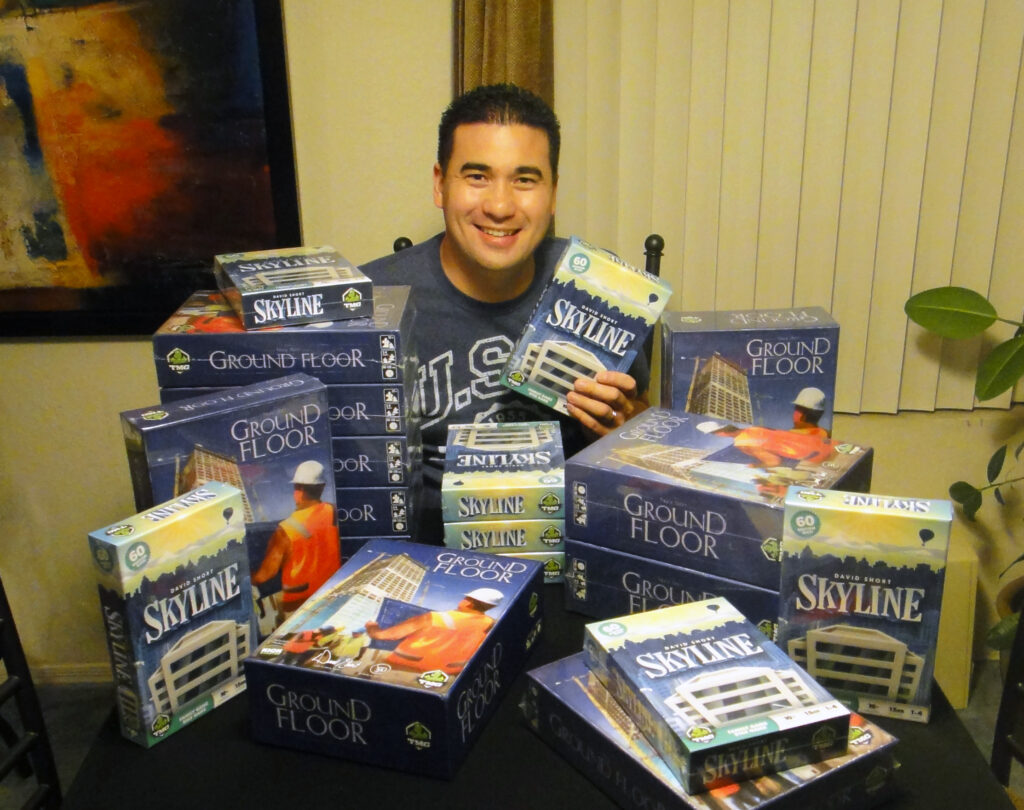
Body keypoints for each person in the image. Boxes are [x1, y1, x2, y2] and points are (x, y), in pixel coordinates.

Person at [361, 84, 649, 541]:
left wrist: (621, 431)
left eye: (525, 179)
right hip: (425, 558)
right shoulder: (370, 304)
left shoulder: (601, 293)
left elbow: (641, 440)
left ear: (553, 194)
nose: (499, 206)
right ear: (440, 184)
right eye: (477, 176)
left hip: (561, 544)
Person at [251, 460, 341, 621]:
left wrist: (246, 576)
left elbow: (264, 576)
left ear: (298, 490)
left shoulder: (286, 529)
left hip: (299, 606)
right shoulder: (333, 511)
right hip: (331, 596)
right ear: (321, 488)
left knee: (282, 638)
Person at [363, 587, 504, 675]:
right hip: (449, 674)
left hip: (403, 667)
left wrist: (372, 628)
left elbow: (386, 636)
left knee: (367, 672)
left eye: (465, 598)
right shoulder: (490, 624)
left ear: (468, 602)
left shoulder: (433, 617)